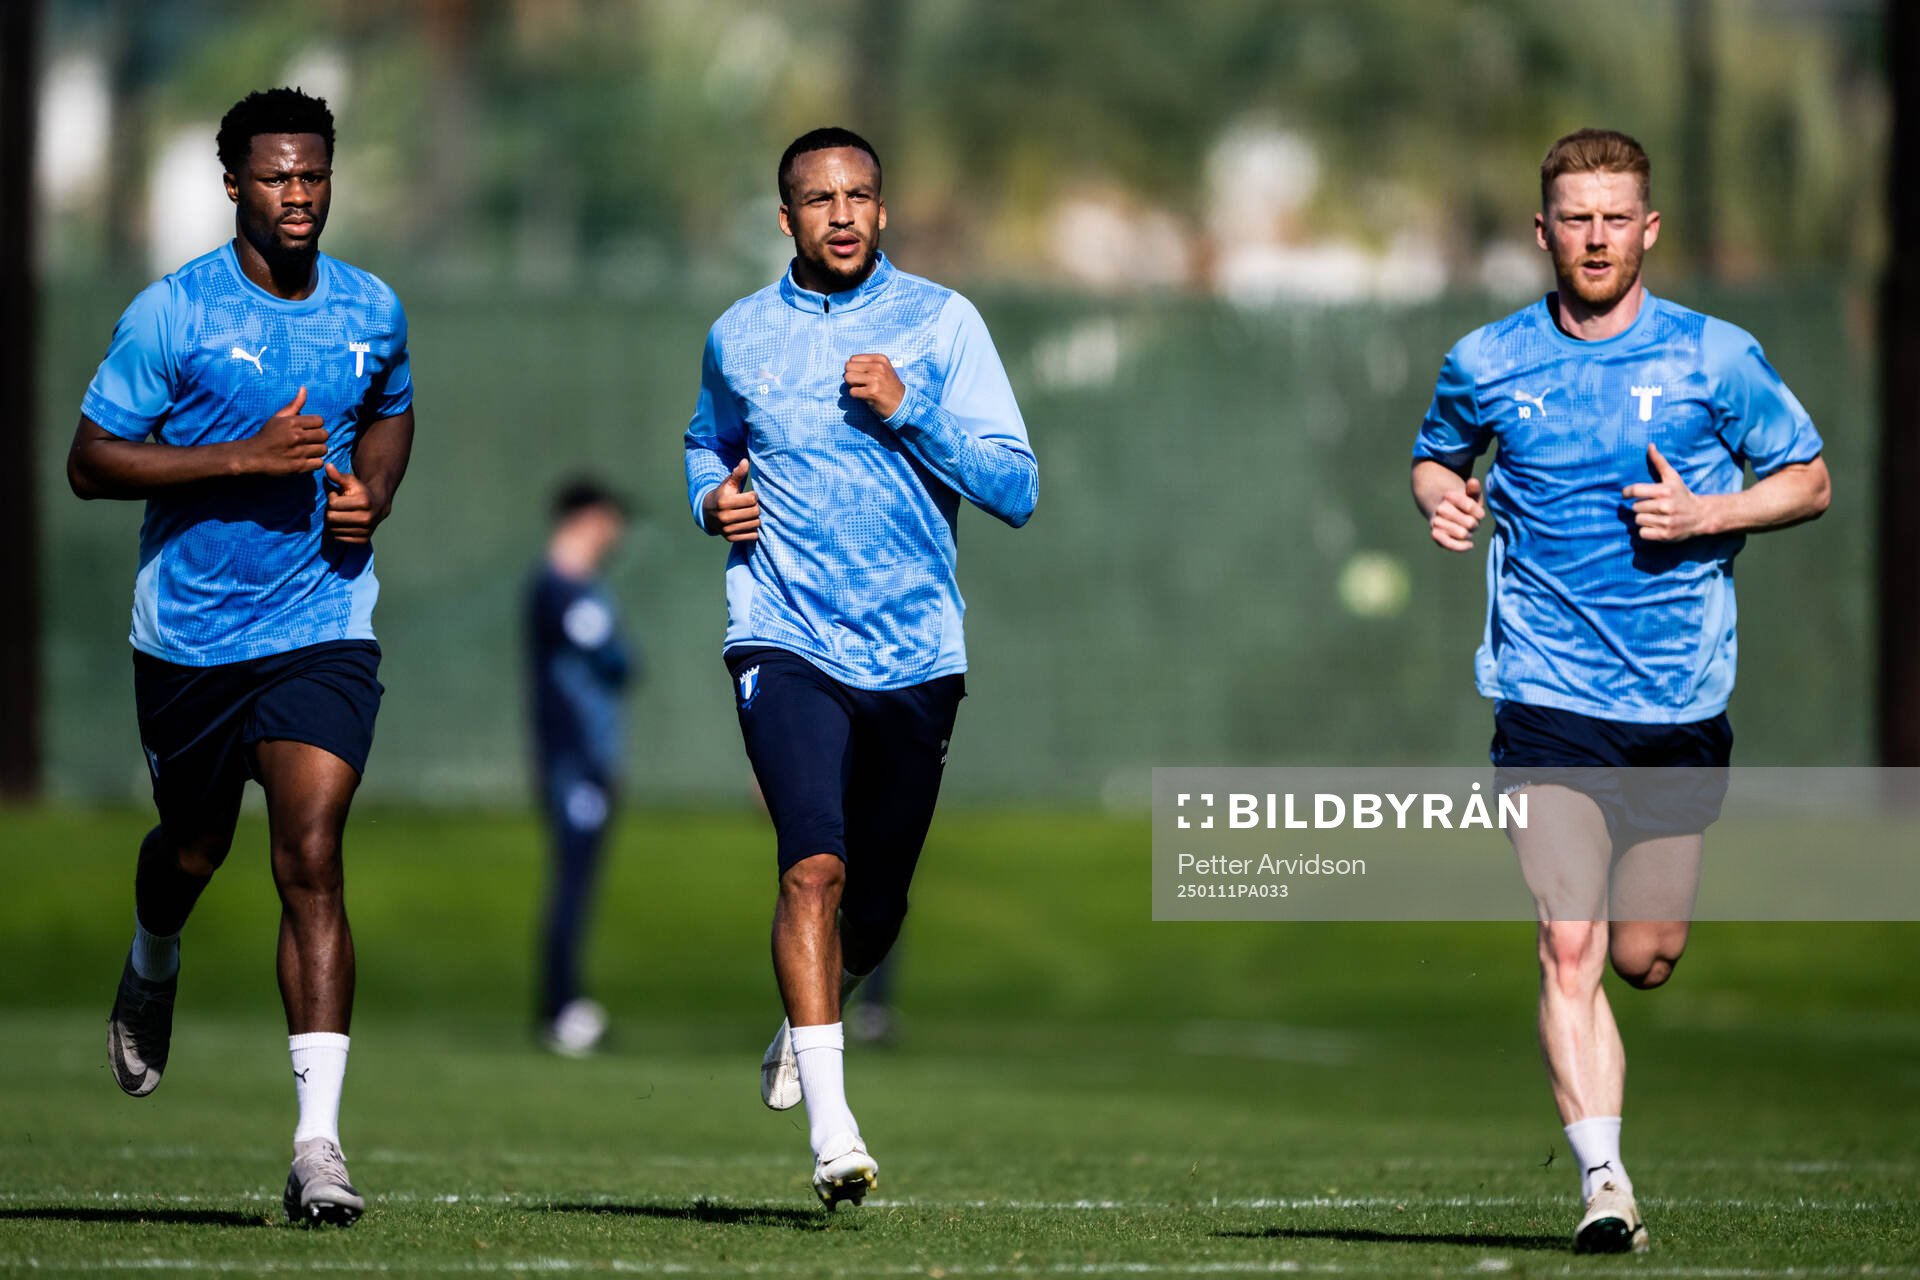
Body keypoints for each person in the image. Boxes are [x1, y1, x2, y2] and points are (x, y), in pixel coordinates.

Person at [1411, 129, 1830, 1254]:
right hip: (1545, 695)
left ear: (1647, 229)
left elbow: (1811, 476)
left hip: (1681, 700)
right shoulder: (1489, 358)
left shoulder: (1715, 356)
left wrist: (1711, 513)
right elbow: (1436, 451)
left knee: (1646, 952)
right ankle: (1605, 1184)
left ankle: (1608, 1135)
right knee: (1570, 942)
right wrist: (1440, 496)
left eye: (1614, 217)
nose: (1594, 236)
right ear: (1542, 230)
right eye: (1574, 217)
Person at [67, 87, 415, 1227]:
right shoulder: (172, 314)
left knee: (310, 849)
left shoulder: (371, 305)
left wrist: (371, 495)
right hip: (191, 640)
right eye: (275, 176)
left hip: (321, 621)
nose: (298, 193)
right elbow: (90, 459)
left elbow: (393, 406)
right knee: (195, 845)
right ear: (235, 186)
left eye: (313, 174)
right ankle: (153, 951)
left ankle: (318, 1142)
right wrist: (239, 459)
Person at [684, 126, 1037, 1208]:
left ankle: (815, 1007)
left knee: (874, 909)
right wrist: (712, 496)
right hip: (782, 633)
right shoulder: (739, 334)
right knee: (813, 866)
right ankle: (835, 1133)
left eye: (860, 196)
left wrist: (909, 406)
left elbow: (1016, 486)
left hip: (916, 651)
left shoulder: (942, 324)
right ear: (784, 218)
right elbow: (707, 438)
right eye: (818, 199)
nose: (841, 214)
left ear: (883, 211)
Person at [526, 479, 635, 1056]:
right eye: (610, 520)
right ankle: (559, 1007)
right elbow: (615, 661)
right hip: (574, 763)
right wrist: (584, 762)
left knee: (578, 883)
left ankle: (564, 1002)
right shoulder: (559, 591)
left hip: (589, 760)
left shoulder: (581, 591)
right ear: (587, 518)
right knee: (570, 885)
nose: (615, 534)